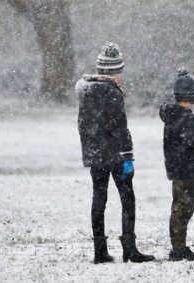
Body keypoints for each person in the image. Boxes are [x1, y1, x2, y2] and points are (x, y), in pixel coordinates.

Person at [76, 42, 155, 264]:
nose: (120, 75)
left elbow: (84, 125)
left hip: (95, 154)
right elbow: (120, 127)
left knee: (99, 199)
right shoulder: (111, 92)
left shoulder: (86, 91)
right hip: (116, 155)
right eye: (119, 70)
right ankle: (129, 249)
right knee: (127, 198)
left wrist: (91, 151)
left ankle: (99, 250)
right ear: (113, 71)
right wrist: (128, 156)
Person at [159, 69, 194, 262]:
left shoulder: (170, 117)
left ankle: (178, 246)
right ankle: (178, 249)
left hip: (176, 172)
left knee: (178, 208)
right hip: (188, 173)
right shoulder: (191, 120)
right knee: (183, 210)